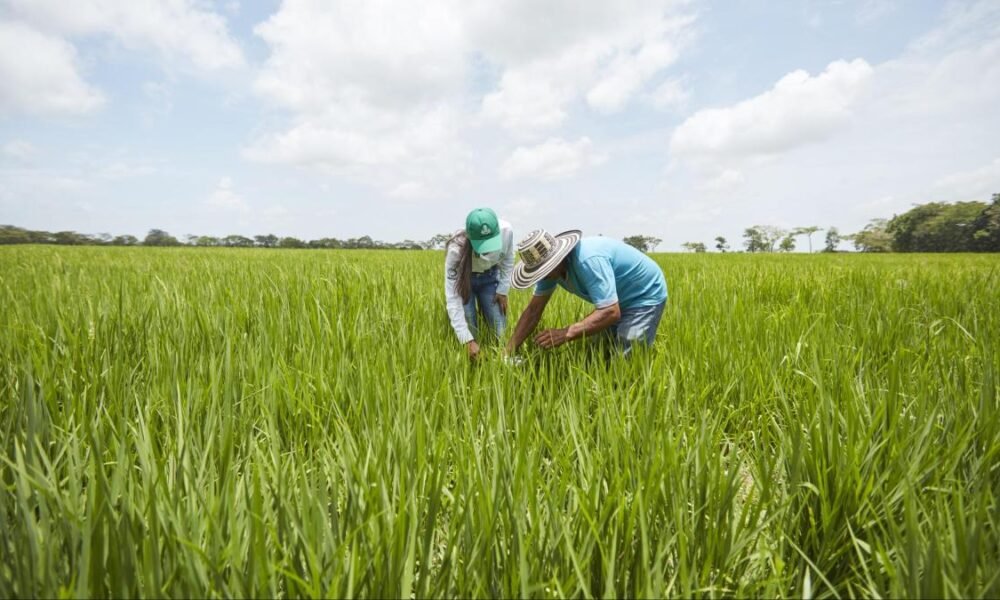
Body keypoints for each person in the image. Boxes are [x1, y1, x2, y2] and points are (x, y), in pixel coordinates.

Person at [505, 229, 667, 356]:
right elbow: (533, 311)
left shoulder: (587, 261)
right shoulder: (550, 272)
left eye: (543, 269)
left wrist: (565, 333)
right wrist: (508, 350)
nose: (542, 274)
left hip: (644, 294)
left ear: (556, 258)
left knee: (628, 350)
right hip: (615, 299)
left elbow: (610, 311)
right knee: (603, 349)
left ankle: (630, 391)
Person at [444, 208, 515, 359]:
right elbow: (452, 298)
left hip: (490, 278)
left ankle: (502, 363)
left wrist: (503, 290)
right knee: (470, 327)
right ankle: (475, 365)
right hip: (465, 281)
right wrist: (467, 340)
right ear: (469, 237)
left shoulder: (506, 231)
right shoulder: (456, 249)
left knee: (500, 331)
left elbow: (508, 259)